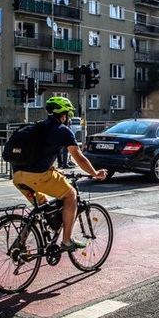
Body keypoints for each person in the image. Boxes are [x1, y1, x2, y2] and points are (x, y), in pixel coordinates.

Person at [11, 96, 107, 250]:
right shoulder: (62, 130)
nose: (68, 118)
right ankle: (67, 241)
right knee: (71, 195)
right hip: (38, 176)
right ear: (64, 115)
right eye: (68, 114)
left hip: (18, 176)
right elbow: (79, 158)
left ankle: (20, 243)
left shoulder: (37, 126)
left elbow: (37, 154)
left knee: (41, 206)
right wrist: (95, 173)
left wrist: (52, 168)